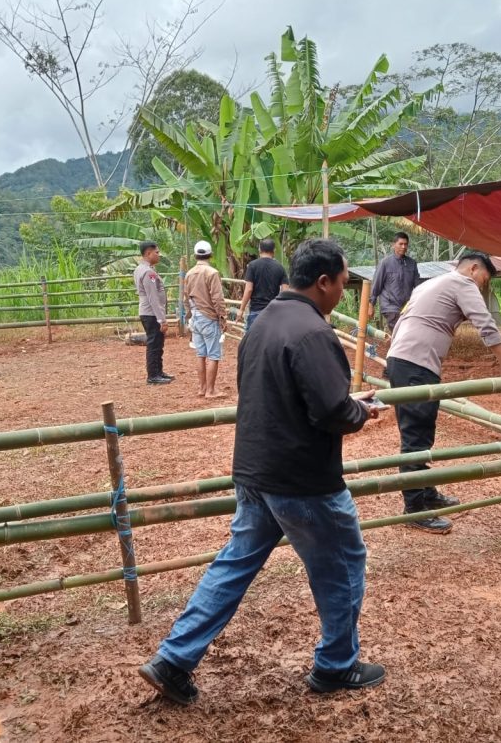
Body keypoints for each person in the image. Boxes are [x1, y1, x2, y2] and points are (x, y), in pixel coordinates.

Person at [139, 238, 385, 705]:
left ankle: (173, 659)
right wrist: (360, 413)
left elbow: (282, 395)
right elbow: (331, 410)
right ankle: (336, 665)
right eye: (342, 283)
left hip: (254, 472)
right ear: (324, 281)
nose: (343, 293)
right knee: (342, 564)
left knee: (233, 566)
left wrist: (344, 406)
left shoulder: (263, 323)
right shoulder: (313, 333)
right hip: (302, 480)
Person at [385, 252, 501, 534]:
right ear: (473, 269)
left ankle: (425, 490)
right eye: (483, 280)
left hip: (403, 359)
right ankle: (414, 508)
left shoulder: (429, 284)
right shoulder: (462, 283)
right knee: (416, 435)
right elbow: (486, 324)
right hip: (415, 363)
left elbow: (401, 320)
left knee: (420, 430)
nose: (482, 288)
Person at [183, 240, 227, 399]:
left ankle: (202, 388)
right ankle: (211, 390)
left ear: (195, 255)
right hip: (209, 318)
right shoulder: (212, 273)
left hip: (195, 317)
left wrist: (189, 316)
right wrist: (223, 318)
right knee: (214, 355)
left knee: (200, 354)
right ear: (210, 255)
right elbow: (218, 298)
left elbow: (185, 298)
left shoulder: (189, 274)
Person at [133, 241, 173, 385]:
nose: (159, 255)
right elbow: (153, 297)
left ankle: (158, 371)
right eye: (157, 252)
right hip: (151, 314)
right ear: (148, 253)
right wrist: (161, 319)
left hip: (148, 312)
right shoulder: (148, 272)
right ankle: (153, 375)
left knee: (157, 343)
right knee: (154, 344)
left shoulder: (141, 269)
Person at [370, 232, 419, 332]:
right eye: (400, 244)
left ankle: (395, 346)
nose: (403, 246)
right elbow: (376, 285)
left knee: (407, 333)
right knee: (399, 331)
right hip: (390, 306)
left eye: (406, 244)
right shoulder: (385, 263)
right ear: (393, 245)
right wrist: (371, 304)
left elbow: (418, 286)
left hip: (406, 307)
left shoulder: (412, 263)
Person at [234, 237, 288, 330]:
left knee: (253, 342)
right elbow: (285, 291)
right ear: (274, 250)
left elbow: (249, 289)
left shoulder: (252, 265)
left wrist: (241, 310)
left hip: (256, 311)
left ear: (260, 250)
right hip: (273, 311)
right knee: (271, 341)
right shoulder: (280, 268)